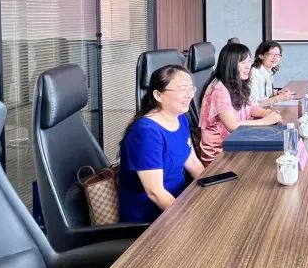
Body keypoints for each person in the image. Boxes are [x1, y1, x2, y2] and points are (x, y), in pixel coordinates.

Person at [118, 64, 205, 223]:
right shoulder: (146, 132)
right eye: (182, 89)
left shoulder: (180, 119)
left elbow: (193, 163)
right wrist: (189, 219)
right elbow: (155, 192)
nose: (190, 95)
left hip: (180, 200)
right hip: (152, 218)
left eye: (191, 88)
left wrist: (214, 189)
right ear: (158, 95)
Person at [197, 41, 282, 164]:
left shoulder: (238, 81)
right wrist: (266, 121)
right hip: (220, 153)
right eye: (243, 62)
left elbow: (251, 108)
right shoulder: (219, 88)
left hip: (237, 141)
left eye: (249, 61)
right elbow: (232, 126)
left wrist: (268, 113)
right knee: (268, 162)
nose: (248, 66)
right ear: (231, 64)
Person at [249, 40, 296, 107]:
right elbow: (254, 104)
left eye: (277, 55)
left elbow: (264, 93)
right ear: (261, 55)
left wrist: (277, 93)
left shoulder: (268, 72)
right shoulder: (254, 73)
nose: (275, 58)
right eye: (271, 54)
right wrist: (278, 98)